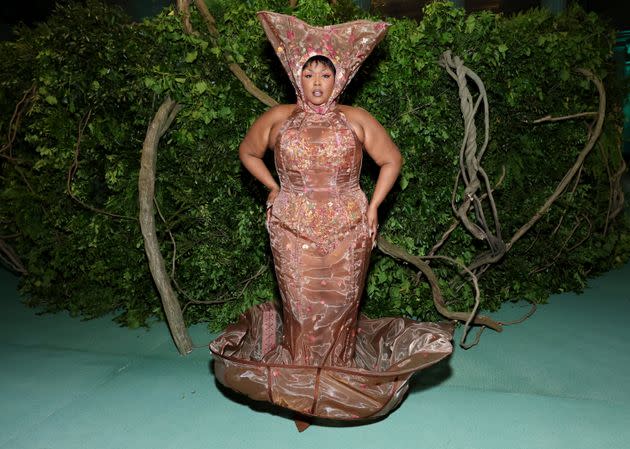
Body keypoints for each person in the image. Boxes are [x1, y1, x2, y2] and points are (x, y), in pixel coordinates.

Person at [210, 11, 454, 429]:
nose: (318, 83)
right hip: (290, 230)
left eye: (326, 74)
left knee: (341, 310)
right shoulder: (278, 119)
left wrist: (373, 206)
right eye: (310, 75)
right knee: (301, 313)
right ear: (297, 77)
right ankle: (302, 398)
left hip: (349, 229)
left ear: (338, 78)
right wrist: (273, 187)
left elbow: (391, 160)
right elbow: (246, 153)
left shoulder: (357, 119)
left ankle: (336, 386)